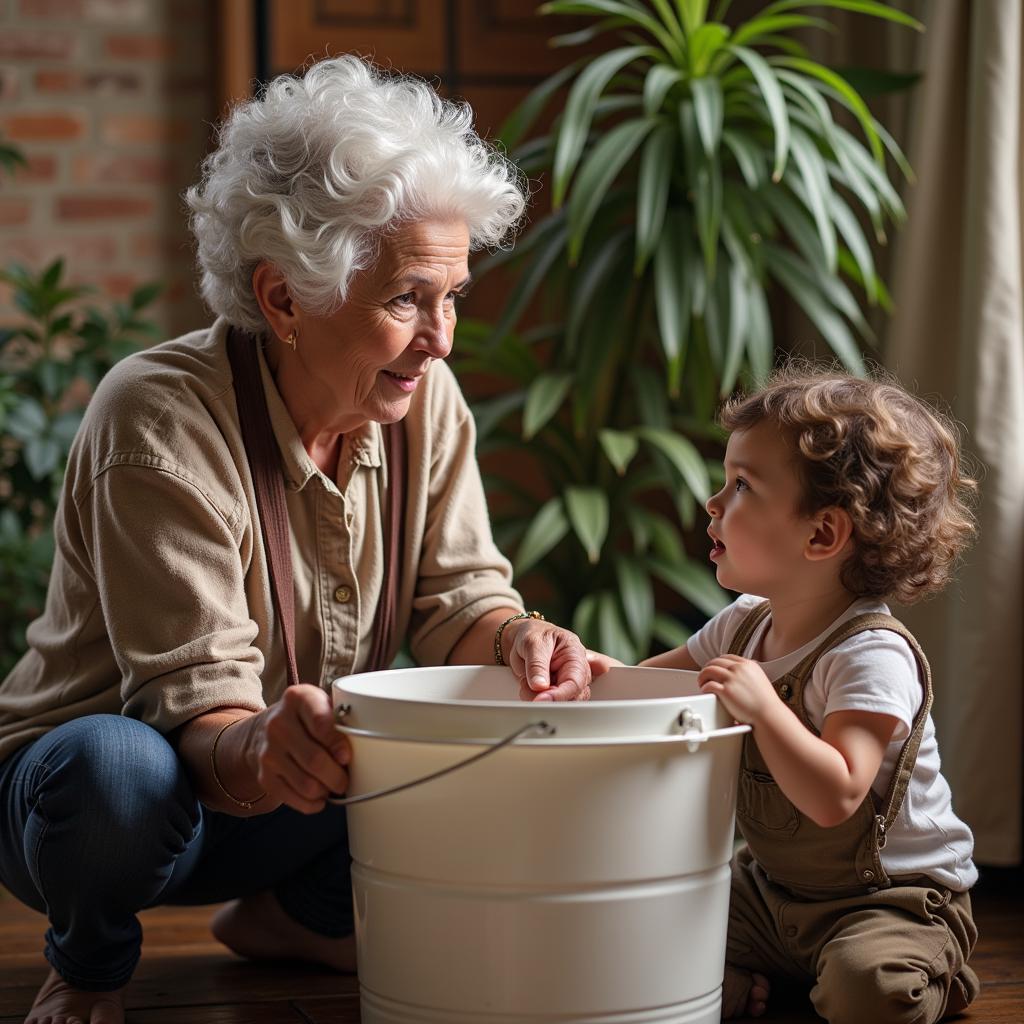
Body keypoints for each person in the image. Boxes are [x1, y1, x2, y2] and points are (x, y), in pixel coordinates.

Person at [0, 56, 592, 1024]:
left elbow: (456, 598)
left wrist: (518, 638)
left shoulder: (421, 396)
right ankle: (90, 960)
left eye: (454, 298)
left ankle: (290, 917)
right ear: (282, 298)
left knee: (468, 748)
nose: (441, 339)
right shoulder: (156, 414)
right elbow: (194, 705)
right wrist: (270, 742)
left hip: (278, 793)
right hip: (104, 805)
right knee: (118, 769)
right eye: (408, 298)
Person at [593, 365, 980, 1024]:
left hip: (888, 899)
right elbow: (645, 686)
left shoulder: (871, 655)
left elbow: (836, 796)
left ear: (822, 534)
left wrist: (766, 708)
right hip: (771, 890)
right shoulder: (744, 624)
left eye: (741, 486)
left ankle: (935, 968)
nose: (713, 504)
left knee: (870, 993)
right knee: (635, 929)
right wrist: (585, 672)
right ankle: (759, 972)